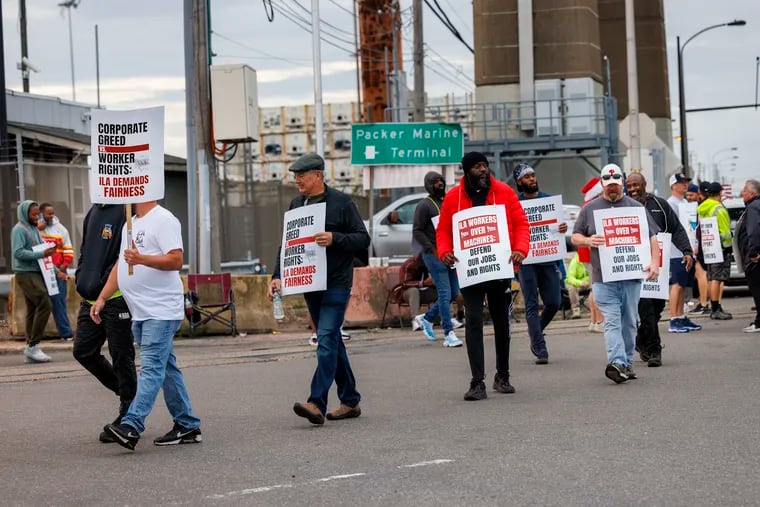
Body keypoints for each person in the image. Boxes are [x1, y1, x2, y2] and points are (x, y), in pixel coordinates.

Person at [269, 153, 370, 425]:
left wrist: (335, 238)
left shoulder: (341, 203)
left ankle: (316, 402)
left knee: (325, 337)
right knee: (331, 340)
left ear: (318, 175)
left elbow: (362, 238)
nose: (297, 180)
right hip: (309, 282)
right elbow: (287, 244)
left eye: (302, 175)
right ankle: (350, 400)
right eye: (295, 176)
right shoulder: (296, 203)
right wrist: (277, 275)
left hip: (336, 282)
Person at [98, 200, 202, 450]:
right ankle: (187, 424)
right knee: (166, 368)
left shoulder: (164, 219)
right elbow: (120, 265)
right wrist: (102, 297)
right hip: (141, 311)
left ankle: (131, 425)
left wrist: (142, 258)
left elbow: (176, 260)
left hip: (161, 310)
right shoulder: (129, 225)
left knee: (152, 367)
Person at [436, 151, 530, 400]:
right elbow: (443, 230)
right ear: (466, 171)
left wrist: (520, 249)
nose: (483, 170)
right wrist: (445, 251)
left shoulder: (504, 192)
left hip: (499, 267)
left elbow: (521, 223)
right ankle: (477, 382)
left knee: (501, 321)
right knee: (474, 320)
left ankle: (503, 375)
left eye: (485, 165)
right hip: (471, 268)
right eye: (477, 166)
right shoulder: (453, 198)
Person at [572, 164, 660, 384]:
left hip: (630, 276)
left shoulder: (635, 207)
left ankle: (626, 363)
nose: (613, 189)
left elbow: (652, 238)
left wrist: (655, 263)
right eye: (608, 185)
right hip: (603, 277)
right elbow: (575, 236)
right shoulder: (589, 209)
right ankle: (616, 362)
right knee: (612, 321)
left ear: (621, 183)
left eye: (616, 185)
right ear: (602, 183)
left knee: (629, 322)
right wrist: (588, 240)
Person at [73, 204, 137, 443]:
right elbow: (86, 249)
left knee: (122, 355)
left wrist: (103, 283)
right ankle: (128, 394)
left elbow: (125, 255)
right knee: (83, 351)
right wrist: (82, 275)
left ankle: (129, 415)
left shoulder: (126, 210)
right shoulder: (92, 211)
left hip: (116, 298)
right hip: (89, 297)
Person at [627, 173, 694, 367]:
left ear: (644, 185)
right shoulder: (622, 206)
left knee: (657, 308)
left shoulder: (660, 205)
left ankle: (641, 340)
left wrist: (687, 250)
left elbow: (677, 229)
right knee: (646, 308)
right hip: (636, 268)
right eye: (629, 185)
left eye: (636, 185)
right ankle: (655, 350)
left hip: (659, 267)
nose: (632, 189)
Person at [513, 163, 567, 364]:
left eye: (533, 175)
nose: (532, 179)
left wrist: (561, 228)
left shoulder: (548, 201)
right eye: (527, 177)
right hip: (526, 261)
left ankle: (535, 331)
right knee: (531, 303)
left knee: (554, 301)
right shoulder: (515, 204)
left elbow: (557, 227)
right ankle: (539, 346)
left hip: (547, 257)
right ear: (519, 182)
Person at [412, 171, 463, 347]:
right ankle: (449, 333)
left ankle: (426, 319)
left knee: (454, 293)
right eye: (435, 182)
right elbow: (417, 231)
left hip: (449, 253)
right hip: (433, 254)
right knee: (444, 292)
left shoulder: (446, 201)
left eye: (441, 181)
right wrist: (431, 249)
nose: (439, 184)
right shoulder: (424, 205)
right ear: (428, 185)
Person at [11, 200, 57, 363]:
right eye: (34, 214)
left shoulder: (33, 229)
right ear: (25, 214)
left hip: (35, 272)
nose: (37, 217)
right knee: (44, 303)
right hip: (25, 273)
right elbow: (18, 253)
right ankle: (33, 345)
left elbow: (40, 251)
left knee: (33, 308)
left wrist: (57, 272)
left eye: (38, 214)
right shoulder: (19, 230)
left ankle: (31, 347)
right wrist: (43, 254)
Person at [665, 172, 702, 333]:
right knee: (677, 284)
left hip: (688, 250)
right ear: (673, 185)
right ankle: (674, 318)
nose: (685, 184)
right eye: (681, 182)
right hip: (676, 251)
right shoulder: (671, 204)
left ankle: (680, 316)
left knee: (684, 284)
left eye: (686, 182)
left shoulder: (686, 202)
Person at [37, 203, 75, 340]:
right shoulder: (36, 229)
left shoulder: (61, 229)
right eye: (48, 213)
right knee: (41, 303)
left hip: (58, 271)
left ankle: (66, 333)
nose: (51, 216)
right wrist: (38, 229)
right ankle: (36, 335)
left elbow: (69, 250)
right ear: (41, 214)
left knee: (59, 302)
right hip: (41, 272)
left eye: (52, 213)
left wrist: (64, 266)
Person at [697, 181, 733, 320]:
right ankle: (716, 308)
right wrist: (728, 247)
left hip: (708, 247)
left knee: (712, 278)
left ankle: (714, 307)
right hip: (720, 248)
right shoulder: (719, 208)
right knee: (717, 279)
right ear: (719, 193)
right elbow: (724, 232)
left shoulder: (701, 208)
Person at [734, 179, 760, 333]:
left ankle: (759, 322)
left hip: (755, 259)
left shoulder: (753, 207)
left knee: (757, 290)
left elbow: (754, 231)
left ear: (752, 193)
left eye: (744, 190)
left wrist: (754, 252)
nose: (742, 193)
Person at [686, 183, 710, 314]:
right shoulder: (688, 207)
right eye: (687, 195)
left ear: (698, 194)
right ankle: (705, 302)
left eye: (692, 194)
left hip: (701, 246)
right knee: (701, 274)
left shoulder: (701, 207)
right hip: (696, 245)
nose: (689, 197)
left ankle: (704, 303)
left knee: (701, 274)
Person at [565, 253, 591, 319]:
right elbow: (570, 278)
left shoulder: (592, 259)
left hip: (590, 282)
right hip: (578, 284)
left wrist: (588, 281)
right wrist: (581, 283)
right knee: (571, 288)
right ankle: (576, 311)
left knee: (598, 284)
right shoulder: (575, 261)